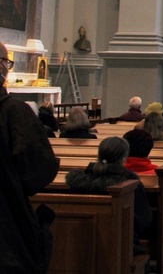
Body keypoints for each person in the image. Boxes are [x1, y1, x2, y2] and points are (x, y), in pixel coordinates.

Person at [0, 42, 59, 274]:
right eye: (6, 62)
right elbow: (38, 173)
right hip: (7, 232)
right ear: (3, 67)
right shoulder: (15, 114)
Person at [66, 137, 152, 254]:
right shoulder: (130, 185)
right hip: (121, 246)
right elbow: (144, 221)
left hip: (78, 244)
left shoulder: (79, 182)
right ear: (123, 160)